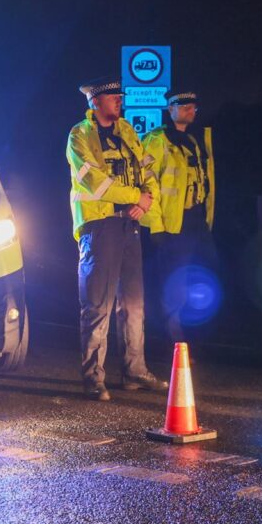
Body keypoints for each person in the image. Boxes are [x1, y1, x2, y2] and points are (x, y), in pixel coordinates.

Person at [66, 77, 169, 401]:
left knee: (134, 304)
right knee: (97, 305)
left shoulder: (127, 131)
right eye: (113, 98)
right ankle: (93, 378)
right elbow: (94, 180)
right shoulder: (79, 135)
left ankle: (134, 371)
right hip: (99, 226)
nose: (119, 102)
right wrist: (134, 196)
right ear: (95, 102)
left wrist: (147, 196)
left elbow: (146, 168)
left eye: (120, 98)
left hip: (129, 226)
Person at [142, 91, 218, 337]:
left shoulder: (193, 141)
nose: (191, 110)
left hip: (196, 220)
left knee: (200, 273)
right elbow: (147, 184)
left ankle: (194, 329)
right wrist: (156, 226)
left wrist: (207, 219)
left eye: (193, 107)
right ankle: (173, 335)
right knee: (173, 279)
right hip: (174, 224)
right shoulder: (157, 140)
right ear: (170, 109)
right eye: (184, 106)